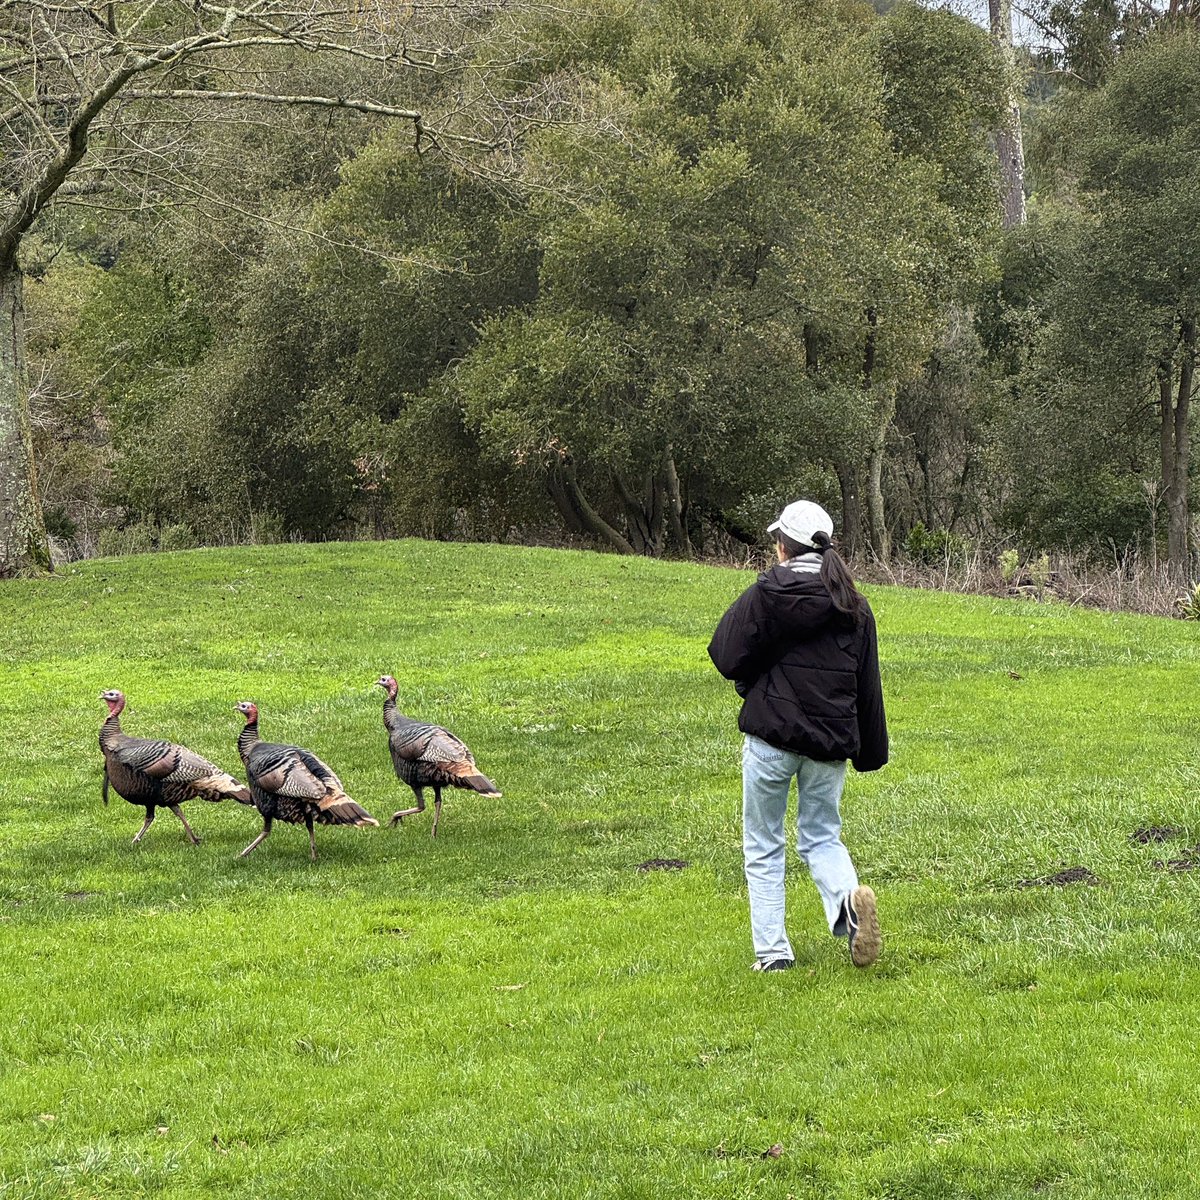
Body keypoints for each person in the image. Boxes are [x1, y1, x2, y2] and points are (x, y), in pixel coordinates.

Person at [708, 499, 888, 971]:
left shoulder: (767, 591)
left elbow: (726, 653)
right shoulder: (855, 605)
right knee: (822, 836)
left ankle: (772, 956)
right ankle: (849, 908)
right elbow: (866, 681)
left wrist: (753, 681)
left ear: (782, 546)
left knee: (763, 845)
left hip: (771, 737)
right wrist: (869, 750)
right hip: (828, 743)